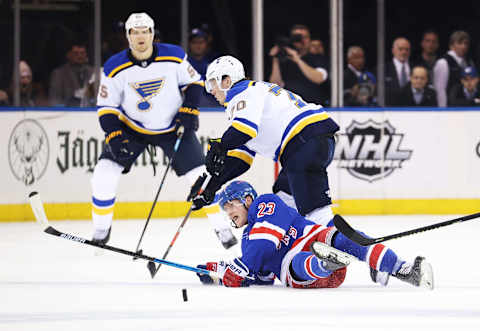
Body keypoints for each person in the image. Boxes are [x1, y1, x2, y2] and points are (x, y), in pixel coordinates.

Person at [91, 12, 236, 249]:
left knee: (202, 179)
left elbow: (195, 83)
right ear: (127, 36)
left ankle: (223, 229)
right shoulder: (113, 66)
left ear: (152, 34)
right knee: (103, 173)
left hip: (174, 129)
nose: (140, 36)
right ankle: (100, 229)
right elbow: (106, 106)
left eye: (145, 31)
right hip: (132, 128)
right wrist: (114, 135)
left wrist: (189, 109)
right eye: (134, 32)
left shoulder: (174, 55)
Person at [188, 55, 338, 235]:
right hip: (311, 140)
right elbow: (241, 159)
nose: (210, 90)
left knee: (315, 211)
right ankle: (297, 242)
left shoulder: (241, 93)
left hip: (303, 142)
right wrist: (211, 187)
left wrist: (221, 145)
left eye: (212, 82)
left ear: (227, 80)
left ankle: (341, 243)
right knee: (284, 196)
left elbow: (244, 131)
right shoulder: (253, 96)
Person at [196, 180, 434, 289]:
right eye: (225, 209)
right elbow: (263, 277)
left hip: (313, 239)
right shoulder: (246, 243)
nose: (228, 213)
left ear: (248, 199)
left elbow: (266, 244)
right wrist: (222, 273)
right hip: (305, 272)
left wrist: (237, 267)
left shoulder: (264, 203)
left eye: (230, 205)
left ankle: (402, 269)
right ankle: (325, 262)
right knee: (297, 263)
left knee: (344, 238)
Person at [269, 24, 329, 104]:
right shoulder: (284, 59)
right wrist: (275, 59)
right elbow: (275, 86)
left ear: (310, 39)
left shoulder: (317, 58)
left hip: (313, 107)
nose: (301, 40)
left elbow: (319, 78)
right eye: (297, 37)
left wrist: (298, 60)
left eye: (305, 37)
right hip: (290, 106)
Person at [433, 30, 475, 107]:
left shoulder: (469, 62)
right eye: (460, 43)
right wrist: (442, 110)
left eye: (466, 43)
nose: (463, 46)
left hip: (466, 106)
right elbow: (440, 90)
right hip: (449, 107)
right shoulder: (443, 62)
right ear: (451, 45)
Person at [49, 42, 94, 106]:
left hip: (90, 112)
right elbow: (55, 99)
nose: (80, 56)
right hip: (67, 113)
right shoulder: (59, 74)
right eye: (76, 53)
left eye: (82, 53)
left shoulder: (93, 72)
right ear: (68, 55)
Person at [384, 37, 413, 106]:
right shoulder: (383, 69)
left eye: (407, 49)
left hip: (411, 109)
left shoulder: (416, 68)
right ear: (393, 50)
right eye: (400, 49)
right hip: (390, 109)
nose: (404, 52)